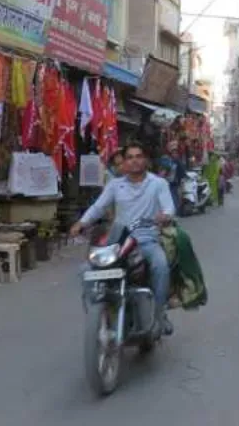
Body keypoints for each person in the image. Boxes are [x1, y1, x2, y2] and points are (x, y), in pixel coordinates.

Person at [70, 143, 175, 335]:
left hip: (146, 239)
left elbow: (169, 208)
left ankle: (159, 314)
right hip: (118, 242)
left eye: (138, 156)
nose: (134, 160)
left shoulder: (158, 184)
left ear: (145, 161)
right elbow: (98, 208)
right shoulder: (115, 185)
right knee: (86, 270)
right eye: (129, 157)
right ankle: (97, 315)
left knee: (161, 266)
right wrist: (81, 223)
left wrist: (165, 216)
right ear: (124, 163)